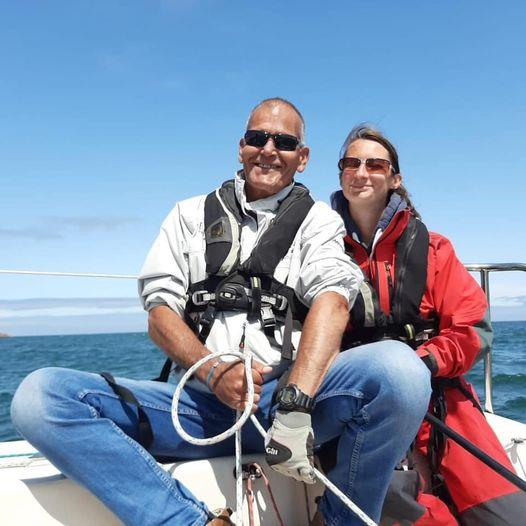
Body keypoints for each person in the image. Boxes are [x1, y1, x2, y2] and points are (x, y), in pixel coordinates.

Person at [10, 99, 431, 526]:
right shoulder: (186, 215)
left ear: (302, 159)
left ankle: (341, 521)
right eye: (257, 138)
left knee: (402, 373)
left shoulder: (320, 222)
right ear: (240, 147)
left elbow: (333, 299)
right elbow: (160, 311)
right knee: (41, 397)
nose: (268, 149)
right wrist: (213, 372)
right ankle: (192, 521)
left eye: (284, 142)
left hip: (282, 404)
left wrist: (295, 403)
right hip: (194, 402)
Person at [330, 124, 526, 525]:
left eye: (375, 164)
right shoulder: (320, 251)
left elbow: (473, 329)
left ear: (395, 178)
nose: (361, 171)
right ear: (341, 174)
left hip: (442, 400)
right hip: (366, 409)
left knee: (508, 514)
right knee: (412, 513)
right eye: (351, 162)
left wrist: (420, 366)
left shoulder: (434, 248)